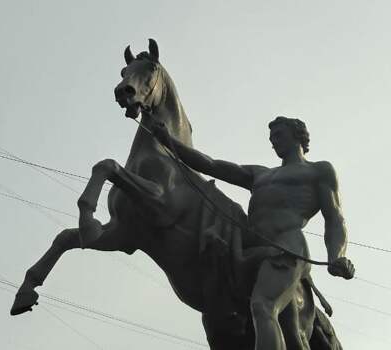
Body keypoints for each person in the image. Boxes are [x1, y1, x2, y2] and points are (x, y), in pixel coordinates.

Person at [152, 116, 355, 350]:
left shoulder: (318, 170)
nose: (273, 142)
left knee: (263, 306)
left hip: (286, 248)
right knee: (290, 332)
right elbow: (211, 165)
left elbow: (335, 218)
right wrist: (170, 142)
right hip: (249, 249)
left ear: (297, 135)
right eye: (271, 138)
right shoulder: (259, 174)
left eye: (278, 135)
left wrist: (336, 256)